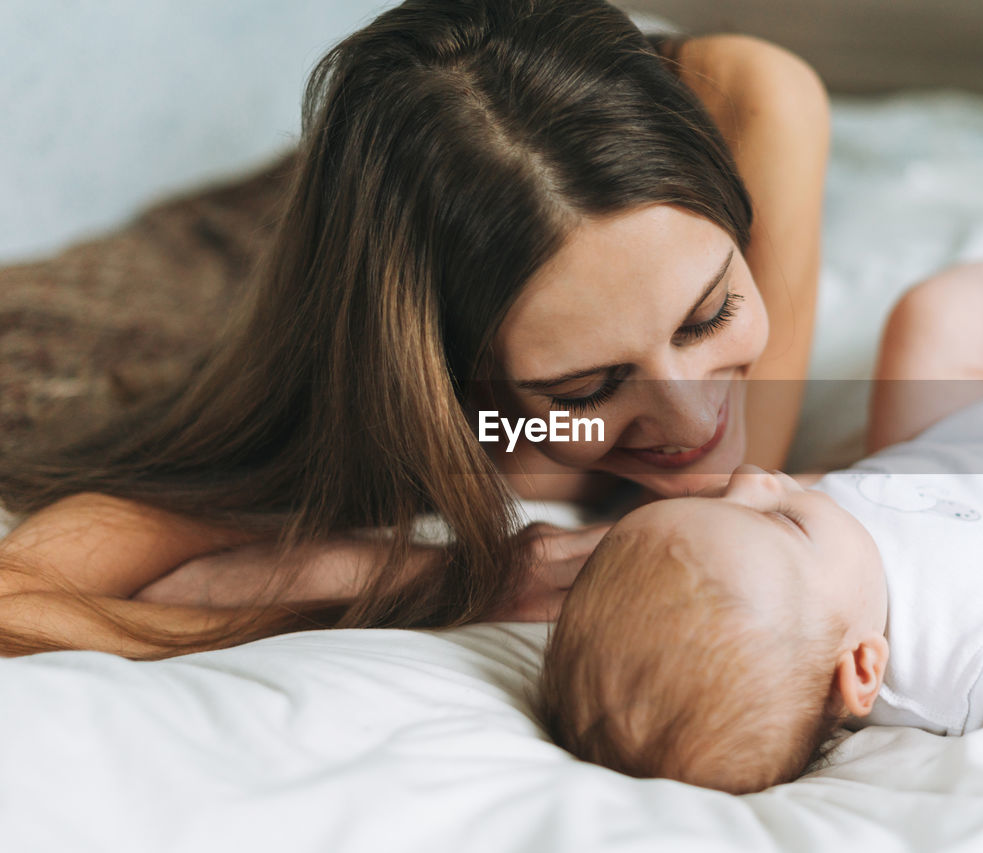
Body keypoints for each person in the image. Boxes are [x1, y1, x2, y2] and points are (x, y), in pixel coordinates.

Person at [0, 0, 830, 657]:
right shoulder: (385, 396)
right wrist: (444, 580)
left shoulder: (755, 105)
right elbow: (17, 601)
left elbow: (737, 480)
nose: (694, 421)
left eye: (711, 314)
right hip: (235, 256)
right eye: (587, 384)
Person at [539, 172, 983, 794]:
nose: (753, 479)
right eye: (779, 517)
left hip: (932, 445)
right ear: (861, 669)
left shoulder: (795, 571)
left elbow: (783, 507)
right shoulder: (961, 675)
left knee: (930, 314)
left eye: (727, 501)